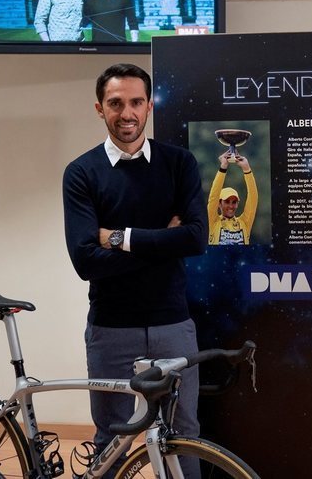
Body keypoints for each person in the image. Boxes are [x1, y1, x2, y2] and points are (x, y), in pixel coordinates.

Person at [62, 63, 207, 479]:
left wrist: (118, 237)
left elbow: (196, 239)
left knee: (183, 434)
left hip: (173, 324)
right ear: (99, 108)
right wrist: (164, 239)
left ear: (148, 108)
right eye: (116, 103)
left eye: (136, 102)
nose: (127, 113)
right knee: (112, 437)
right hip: (112, 330)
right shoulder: (81, 173)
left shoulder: (179, 163)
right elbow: (86, 262)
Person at [207, 151, 258, 245]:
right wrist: (223, 167)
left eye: (234, 202)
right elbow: (213, 196)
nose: (231, 206)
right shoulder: (214, 221)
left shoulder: (244, 222)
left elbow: (253, 198)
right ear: (219, 203)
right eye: (227, 201)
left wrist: (247, 169)